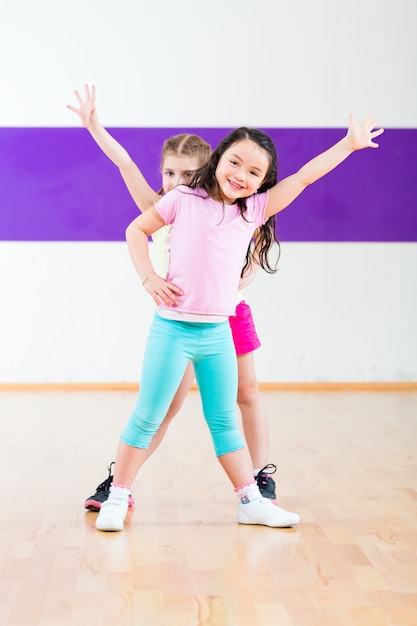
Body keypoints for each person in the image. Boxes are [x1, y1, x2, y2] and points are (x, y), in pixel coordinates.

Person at [73, 90, 383, 531]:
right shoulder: (181, 200)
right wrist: (149, 279)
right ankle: (117, 495)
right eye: (235, 162)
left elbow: (303, 178)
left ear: (262, 182)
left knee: (224, 419)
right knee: (149, 413)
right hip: (173, 329)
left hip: (218, 330)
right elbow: (135, 228)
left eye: (255, 171)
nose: (241, 174)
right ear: (217, 160)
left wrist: (347, 146)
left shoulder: (254, 211)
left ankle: (250, 499)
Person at [68, 85, 281, 512]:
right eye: (169, 173)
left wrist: (243, 281)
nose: (176, 182)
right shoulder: (164, 204)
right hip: (183, 320)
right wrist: (94, 126)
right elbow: (124, 162)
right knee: (165, 407)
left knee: (248, 393)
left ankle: (259, 479)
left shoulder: (234, 207)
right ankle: (119, 483)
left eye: (187, 175)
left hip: (227, 314)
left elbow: (250, 258)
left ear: (208, 171)